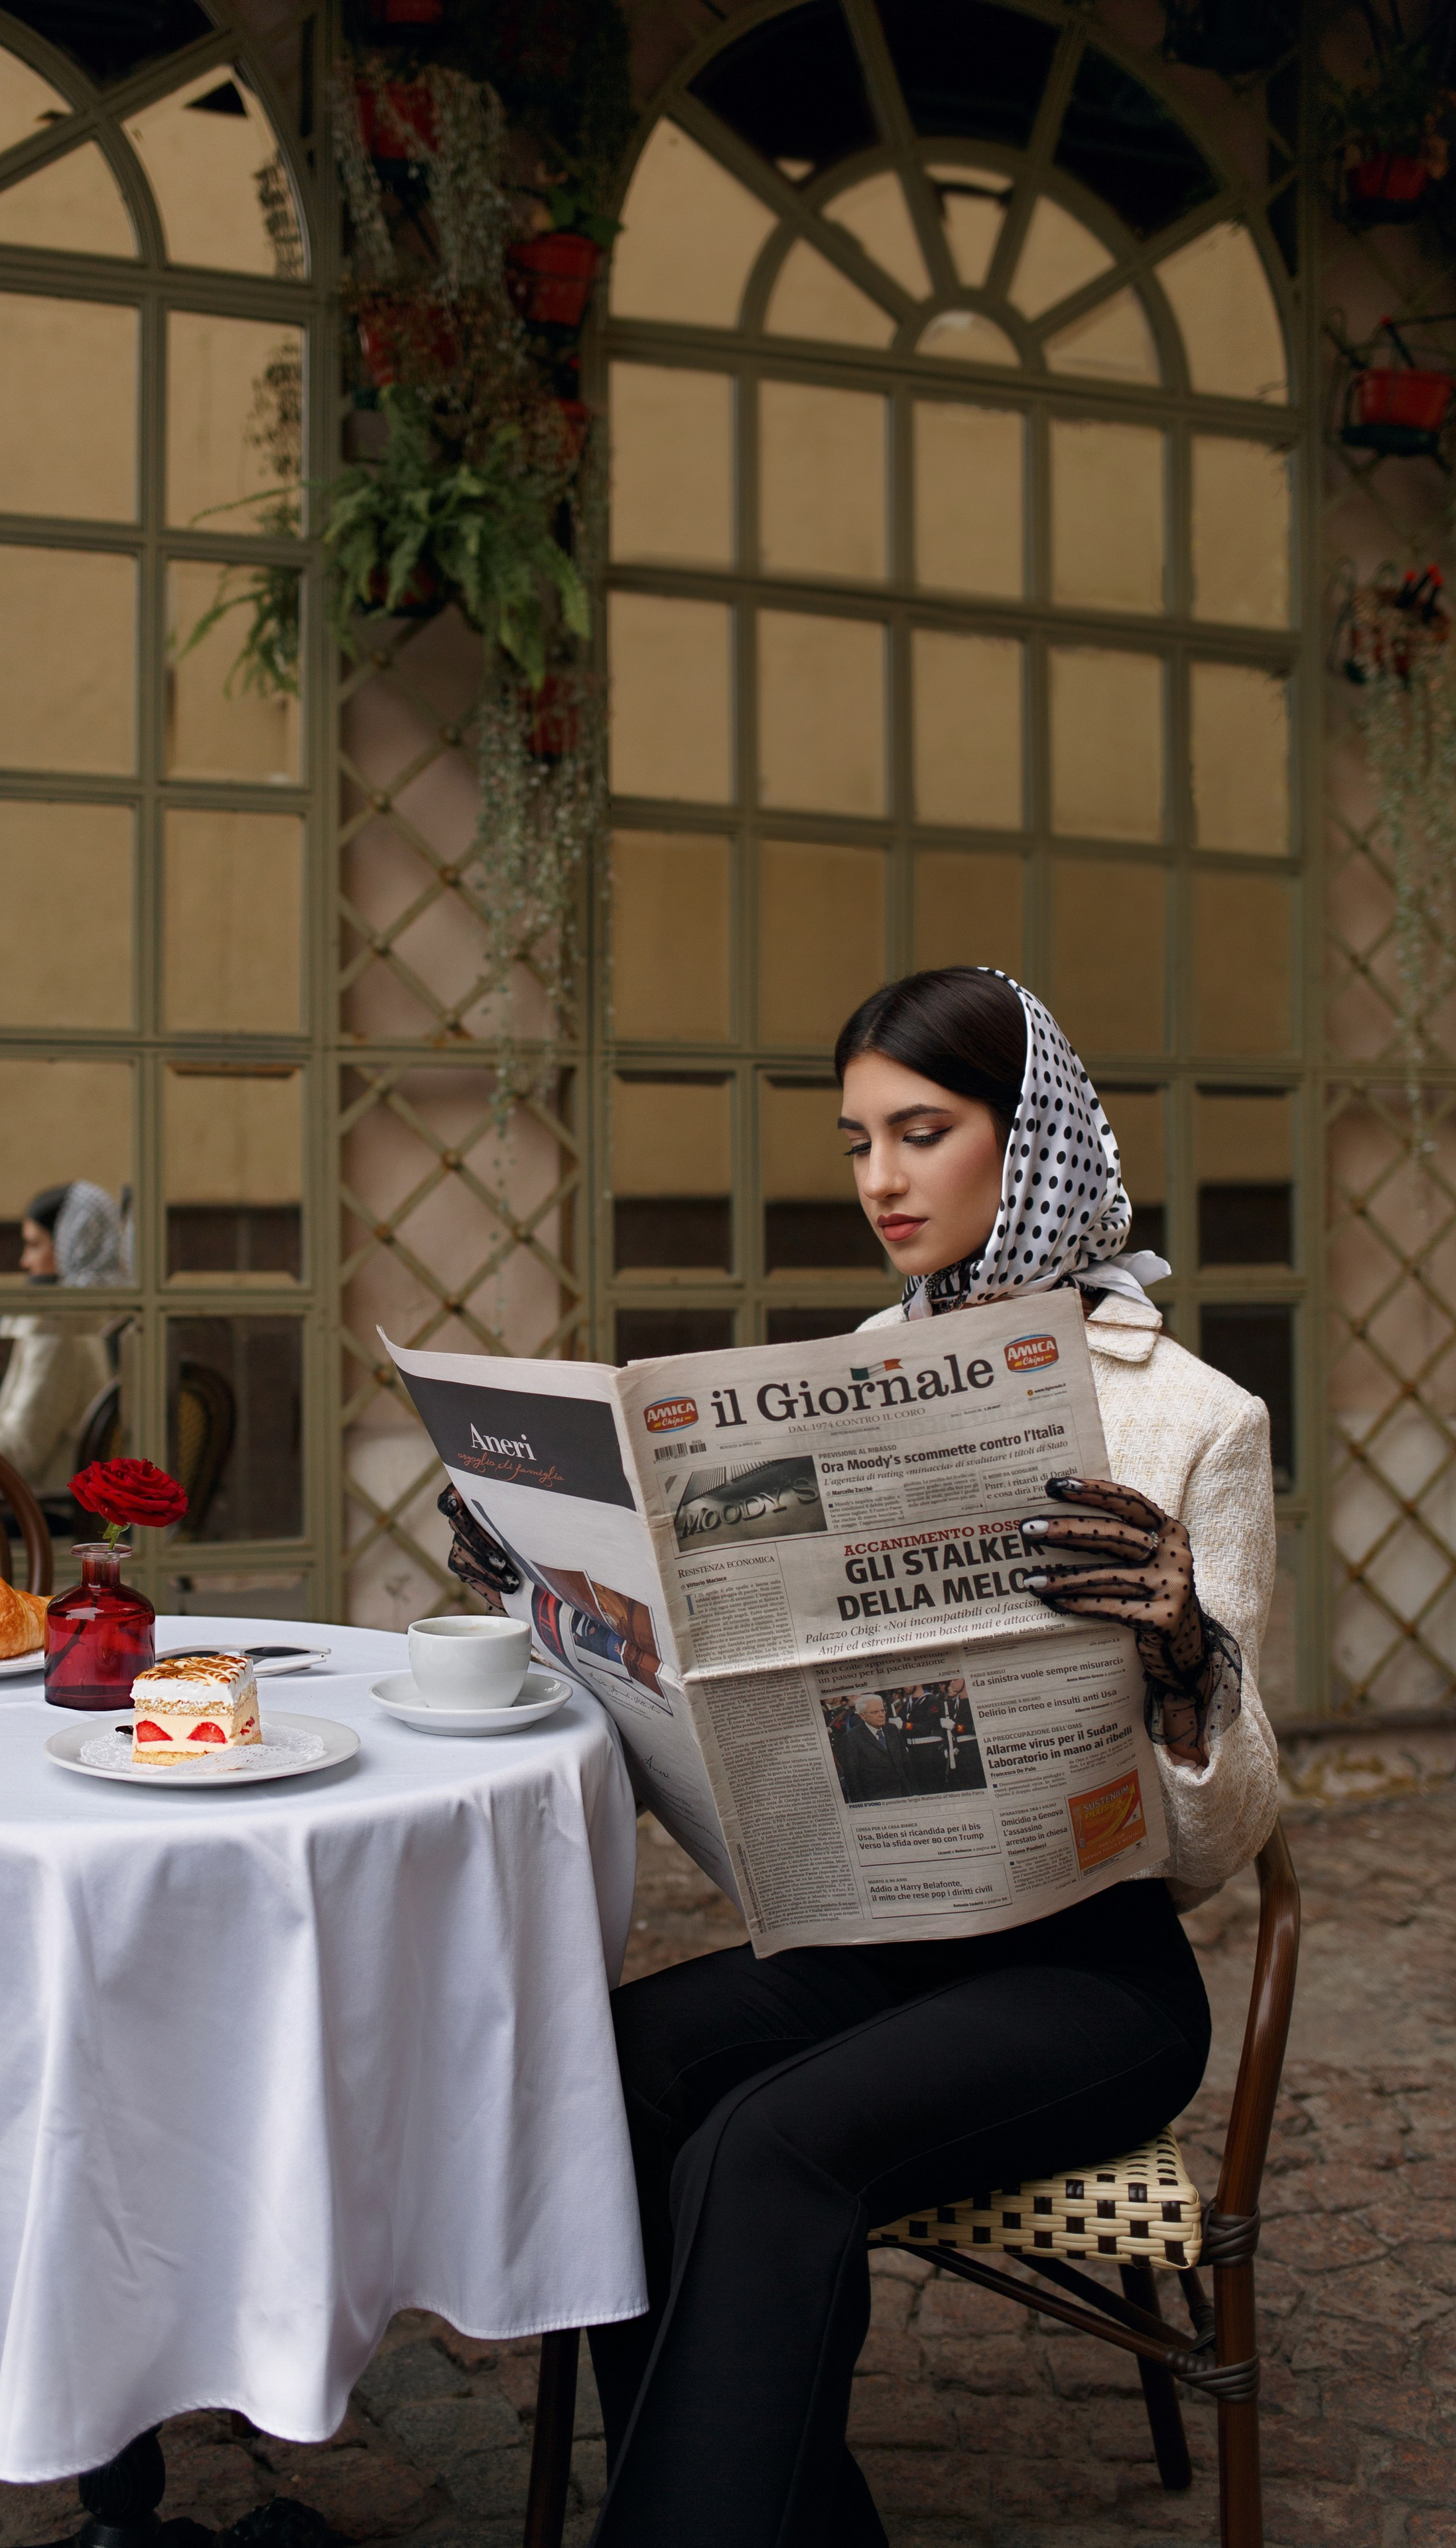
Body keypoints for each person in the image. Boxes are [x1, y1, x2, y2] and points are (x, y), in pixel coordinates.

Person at [444, 965, 1279, 2547]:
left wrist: (1179, 1645)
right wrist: (554, 1594)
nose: (880, 1180)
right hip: (874, 1933)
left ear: (1020, 1137)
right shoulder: (827, 1381)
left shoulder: (1188, 1417)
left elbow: (1230, 1827)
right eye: (853, 1142)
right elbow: (740, 1707)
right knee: (616, 2076)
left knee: (763, 2144)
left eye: (921, 1130)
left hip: (1086, 1974)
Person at [0, 1182, 127, 1497]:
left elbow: (18, 1458)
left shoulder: (58, 1329)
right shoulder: (97, 1317)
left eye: (35, 1246)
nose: (25, 1261)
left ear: (69, 1245)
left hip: (44, 1512)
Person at [831, 1692, 915, 1804]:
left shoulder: (892, 1729)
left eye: (882, 1710)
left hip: (903, 1794)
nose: (881, 1715)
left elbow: (906, 1764)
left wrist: (914, 1793)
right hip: (875, 1799)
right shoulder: (852, 1738)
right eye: (875, 1712)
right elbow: (853, 1777)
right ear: (863, 1716)